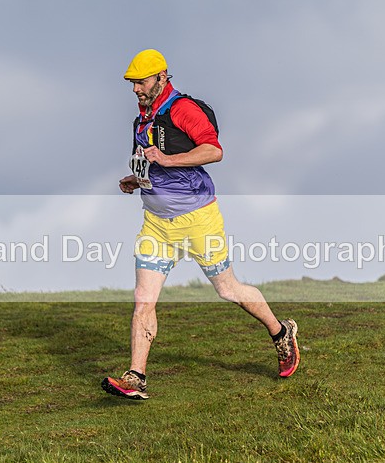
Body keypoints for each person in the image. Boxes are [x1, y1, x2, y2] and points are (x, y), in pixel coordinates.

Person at [101, 49, 300, 400]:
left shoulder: (182, 109)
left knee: (228, 290)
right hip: (156, 224)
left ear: (161, 77)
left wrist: (167, 159)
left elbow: (213, 150)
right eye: (132, 83)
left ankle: (280, 332)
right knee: (143, 300)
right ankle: (136, 377)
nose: (135, 89)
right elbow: (153, 164)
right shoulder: (142, 120)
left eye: (141, 82)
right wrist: (137, 179)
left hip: (198, 220)